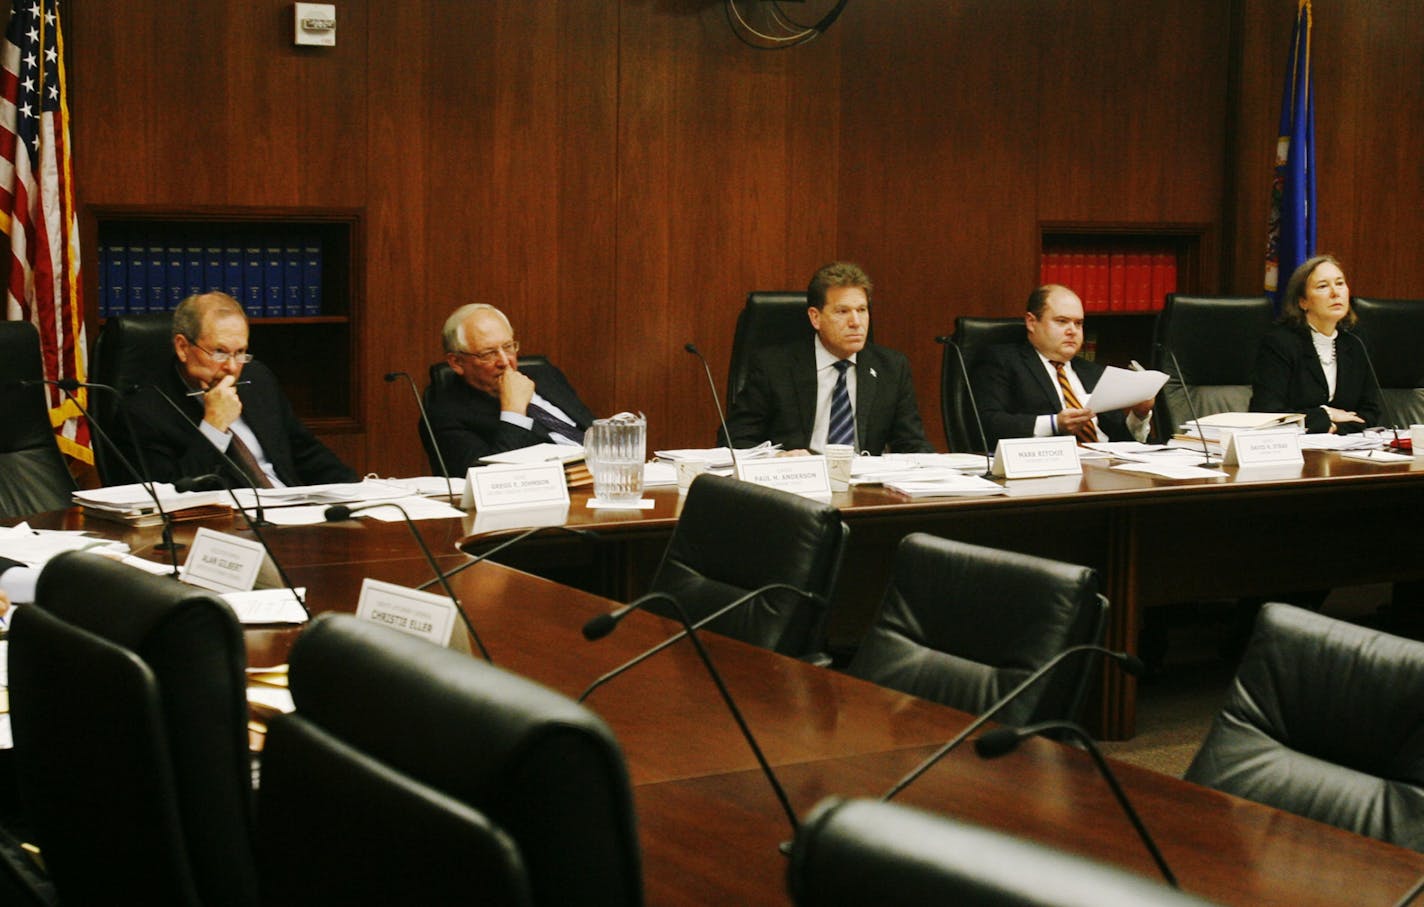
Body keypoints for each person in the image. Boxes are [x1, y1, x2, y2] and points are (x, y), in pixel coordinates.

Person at [118, 292, 357, 487]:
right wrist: (213, 426)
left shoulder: (257, 379)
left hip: (291, 514)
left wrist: (357, 491)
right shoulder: (146, 410)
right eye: (220, 352)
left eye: (240, 353)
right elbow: (171, 496)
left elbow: (305, 452)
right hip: (226, 529)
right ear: (182, 347)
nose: (232, 367)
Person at [724, 262, 933, 454]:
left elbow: (912, 444)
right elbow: (734, 440)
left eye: (862, 310)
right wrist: (779, 457)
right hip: (797, 486)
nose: (856, 322)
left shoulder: (892, 368)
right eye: (842, 311)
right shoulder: (775, 367)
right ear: (816, 317)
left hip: (865, 487)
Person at [974, 284, 1153, 450]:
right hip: (1049, 468)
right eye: (1061, 321)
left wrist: (1139, 415)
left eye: (1078, 323)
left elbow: (1119, 440)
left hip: (1106, 468)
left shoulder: (1094, 372)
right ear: (1031, 322)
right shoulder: (1003, 361)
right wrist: (1054, 424)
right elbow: (989, 423)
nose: (1072, 331)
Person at [426, 303, 595, 474]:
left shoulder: (545, 374)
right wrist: (514, 413)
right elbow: (490, 480)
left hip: (604, 472)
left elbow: (590, 429)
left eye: (508, 347)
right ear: (457, 362)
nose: (505, 361)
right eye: (488, 354)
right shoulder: (445, 415)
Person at [1249, 254, 1380, 433]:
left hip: (1345, 451)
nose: (1335, 292)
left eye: (1340, 283)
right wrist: (1326, 415)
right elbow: (1266, 413)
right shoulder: (1280, 343)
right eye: (1323, 286)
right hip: (1294, 450)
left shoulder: (1355, 342)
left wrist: (1333, 428)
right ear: (1303, 301)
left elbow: (1370, 413)